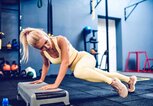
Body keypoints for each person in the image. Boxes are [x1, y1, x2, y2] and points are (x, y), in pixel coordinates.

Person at [20, 27, 137, 98]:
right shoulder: (44, 52)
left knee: (78, 73)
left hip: (84, 58)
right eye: (42, 47)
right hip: (78, 66)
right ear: (38, 49)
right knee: (103, 74)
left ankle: (113, 83)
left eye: (46, 42)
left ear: (45, 35)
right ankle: (129, 80)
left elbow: (65, 62)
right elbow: (46, 64)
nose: (46, 46)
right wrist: (41, 79)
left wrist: (55, 84)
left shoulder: (60, 40)